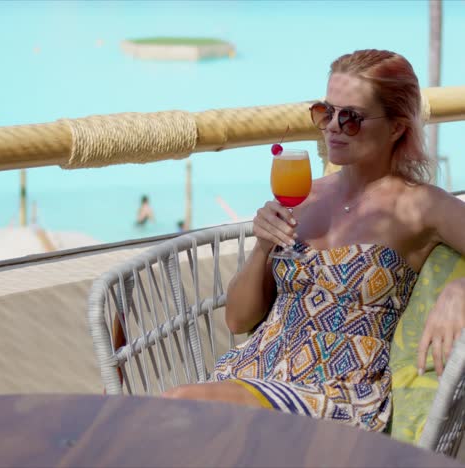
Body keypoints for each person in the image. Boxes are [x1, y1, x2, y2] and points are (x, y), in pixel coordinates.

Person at [162, 49, 465, 432]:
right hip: (255, 371)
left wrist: (459, 290)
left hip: (336, 393)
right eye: (326, 111)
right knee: (155, 422)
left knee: (177, 408)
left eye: (351, 117)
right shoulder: (302, 196)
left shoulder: (420, 205)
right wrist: (262, 247)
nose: (333, 126)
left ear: (396, 128)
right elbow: (238, 319)